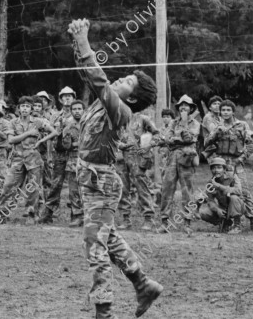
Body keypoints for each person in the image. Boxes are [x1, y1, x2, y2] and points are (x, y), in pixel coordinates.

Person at [68, 18, 162, 319]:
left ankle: (104, 311)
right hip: (91, 181)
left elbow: (97, 78)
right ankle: (143, 284)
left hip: (103, 185)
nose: (119, 80)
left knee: (94, 246)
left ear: (132, 98)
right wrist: (75, 40)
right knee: (108, 239)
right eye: (123, 78)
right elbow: (88, 73)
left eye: (126, 83)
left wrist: (85, 40)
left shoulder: (119, 110)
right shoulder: (102, 100)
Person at [0, 96, 57, 225]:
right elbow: (11, 140)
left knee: (33, 188)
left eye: (27, 106)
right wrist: (29, 133)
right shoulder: (12, 122)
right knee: (8, 186)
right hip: (17, 159)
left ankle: (31, 213)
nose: (25, 109)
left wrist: (40, 140)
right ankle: (2, 214)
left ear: (31, 109)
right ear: (18, 108)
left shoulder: (38, 122)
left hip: (33, 159)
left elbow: (54, 132)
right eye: (22, 106)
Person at [203, 99, 253, 232]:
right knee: (218, 191)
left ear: (233, 112)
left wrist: (241, 158)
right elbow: (206, 143)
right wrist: (216, 133)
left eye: (228, 110)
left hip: (236, 163)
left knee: (244, 192)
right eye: (223, 110)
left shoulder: (242, 125)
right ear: (220, 111)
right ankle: (226, 221)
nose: (225, 112)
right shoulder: (217, 126)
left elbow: (250, 145)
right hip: (221, 164)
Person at [39, 99, 85, 227]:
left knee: (76, 188)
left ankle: (77, 215)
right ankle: (48, 213)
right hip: (61, 156)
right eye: (74, 109)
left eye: (79, 109)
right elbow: (57, 141)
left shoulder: (87, 123)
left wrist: (76, 144)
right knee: (55, 185)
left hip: (79, 158)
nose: (77, 111)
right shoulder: (61, 120)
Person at [159, 95, 201, 234]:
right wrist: (179, 138)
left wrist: (182, 128)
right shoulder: (173, 122)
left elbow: (191, 138)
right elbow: (167, 138)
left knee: (187, 191)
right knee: (167, 188)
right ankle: (164, 222)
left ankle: (187, 222)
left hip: (186, 158)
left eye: (186, 105)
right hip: (172, 158)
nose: (183, 107)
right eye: (181, 106)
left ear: (191, 108)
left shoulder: (195, 123)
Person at [116, 112, 161, 231]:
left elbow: (157, 134)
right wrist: (118, 144)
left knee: (142, 187)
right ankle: (125, 219)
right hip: (120, 158)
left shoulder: (143, 118)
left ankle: (148, 218)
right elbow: (110, 136)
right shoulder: (117, 117)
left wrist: (148, 145)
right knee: (123, 188)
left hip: (138, 157)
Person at [198, 158, 245, 234]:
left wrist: (219, 186)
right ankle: (226, 223)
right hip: (222, 208)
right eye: (213, 168)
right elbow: (210, 200)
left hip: (237, 206)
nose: (216, 170)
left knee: (233, 197)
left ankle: (237, 225)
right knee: (203, 213)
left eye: (219, 168)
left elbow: (238, 191)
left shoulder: (232, 177)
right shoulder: (211, 182)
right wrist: (217, 210)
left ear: (224, 169)